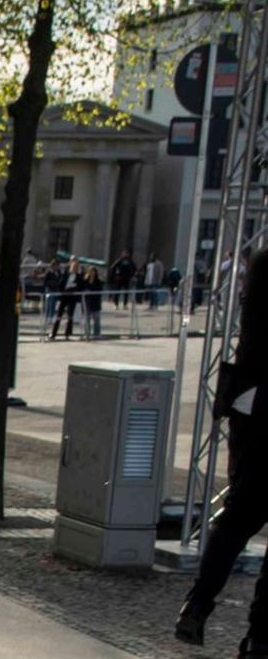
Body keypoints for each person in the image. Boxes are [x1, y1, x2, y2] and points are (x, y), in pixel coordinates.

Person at [177, 249, 268, 657]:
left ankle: (197, 603)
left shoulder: (262, 265)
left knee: (238, 516)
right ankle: (260, 638)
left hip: (253, 407)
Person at [51, 257, 83, 340]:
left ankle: (67, 334)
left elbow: (80, 287)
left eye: (76, 267)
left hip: (72, 297)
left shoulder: (79, 277)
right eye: (73, 267)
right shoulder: (65, 275)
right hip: (64, 296)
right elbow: (60, 285)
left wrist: (73, 290)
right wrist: (63, 291)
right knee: (59, 315)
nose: (74, 268)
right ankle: (53, 333)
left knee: (70, 316)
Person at [83, 265, 105, 339]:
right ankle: (87, 333)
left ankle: (96, 334)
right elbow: (83, 288)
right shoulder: (85, 280)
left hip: (96, 302)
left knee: (96, 319)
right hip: (87, 302)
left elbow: (99, 289)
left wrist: (91, 291)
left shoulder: (98, 281)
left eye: (93, 272)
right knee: (87, 319)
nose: (92, 273)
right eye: (90, 272)